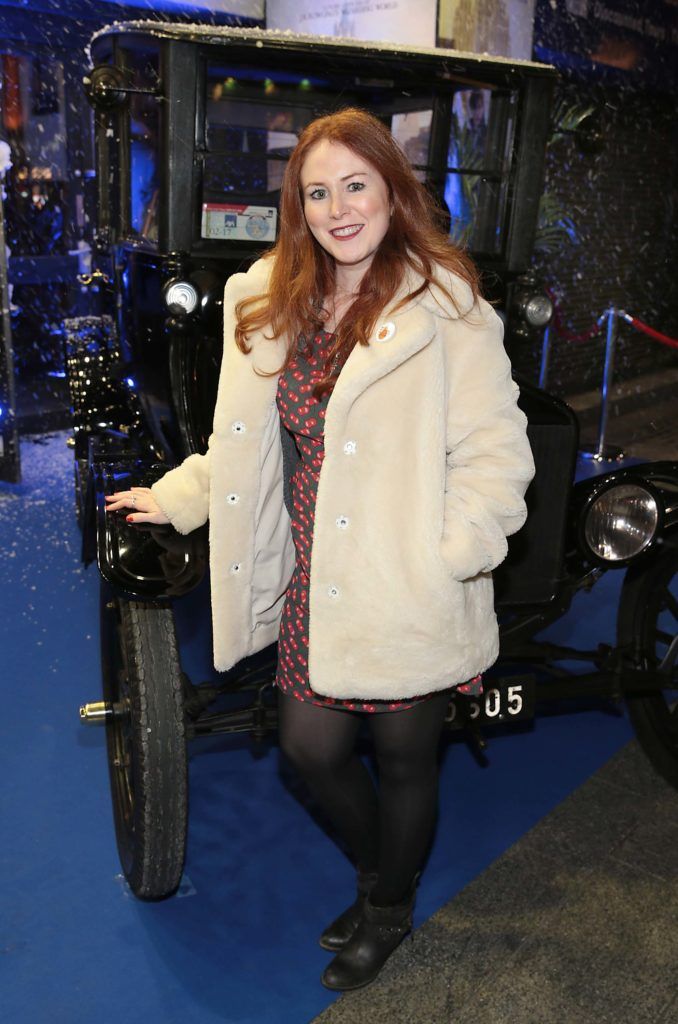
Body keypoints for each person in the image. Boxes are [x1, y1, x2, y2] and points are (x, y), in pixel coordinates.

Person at [105, 107, 535, 991]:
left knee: (408, 759)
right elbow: (244, 441)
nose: (339, 207)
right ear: (296, 207)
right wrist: (182, 495)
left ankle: (386, 912)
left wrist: (450, 551)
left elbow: (497, 452)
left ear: (391, 190)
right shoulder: (275, 298)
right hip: (317, 578)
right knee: (309, 748)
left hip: (411, 578)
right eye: (317, 191)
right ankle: (386, 880)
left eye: (356, 185)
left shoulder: (447, 304)